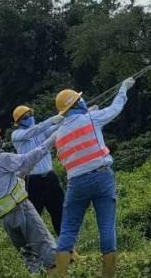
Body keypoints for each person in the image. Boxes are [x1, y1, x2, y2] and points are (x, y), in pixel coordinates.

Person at [52, 77, 135, 278]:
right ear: (77, 103)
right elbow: (115, 108)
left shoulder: (59, 134)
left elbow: (63, 158)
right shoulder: (91, 118)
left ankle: (60, 275)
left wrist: (89, 113)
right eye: (80, 99)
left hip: (76, 183)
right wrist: (123, 88)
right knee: (106, 226)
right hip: (102, 177)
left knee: (68, 230)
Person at [0, 126, 58, 274]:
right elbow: (28, 159)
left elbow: (15, 175)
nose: (0, 138)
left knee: (29, 256)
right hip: (21, 209)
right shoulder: (2, 158)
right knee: (46, 247)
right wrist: (51, 140)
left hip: (5, 219)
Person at [10, 105, 65, 235]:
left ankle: (67, 249)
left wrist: (67, 116)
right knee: (35, 217)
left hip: (50, 177)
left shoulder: (41, 132)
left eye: (30, 115)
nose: (30, 118)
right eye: (26, 117)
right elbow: (33, 131)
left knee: (60, 212)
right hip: (32, 181)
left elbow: (56, 127)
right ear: (18, 122)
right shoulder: (17, 134)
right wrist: (52, 119)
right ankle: (35, 250)